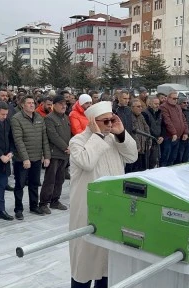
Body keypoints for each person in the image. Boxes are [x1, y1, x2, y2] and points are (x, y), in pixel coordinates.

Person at [69, 101, 137, 288]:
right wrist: (98, 136)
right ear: (92, 122)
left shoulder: (113, 139)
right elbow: (87, 162)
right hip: (87, 209)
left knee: (107, 262)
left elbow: (132, 156)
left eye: (111, 120)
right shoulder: (78, 141)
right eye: (105, 121)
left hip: (112, 208)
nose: (109, 125)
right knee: (84, 261)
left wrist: (121, 133)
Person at [11, 95, 51, 219]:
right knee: (20, 184)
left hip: (37, 157)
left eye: (33, 103)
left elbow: (44, 138)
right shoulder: (16, 119)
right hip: (22, 159)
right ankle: (18, 209)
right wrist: (25, 158)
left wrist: (47, 155)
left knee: (34, 183)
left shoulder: (39, 117)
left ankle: (34, 206)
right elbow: (18, 140)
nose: (32, 105)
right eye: (28, 103)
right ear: (23, 105)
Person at [39, 95, 71, 214]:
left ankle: (55, 200)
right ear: (54, 105)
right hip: (54, 154)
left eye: (65, 104)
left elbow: (69, 134)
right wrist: (66, 147)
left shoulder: (66, 118)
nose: (64, 106)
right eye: (61, 104)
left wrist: (70, 146)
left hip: (65, 154)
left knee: (60, 179)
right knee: (50, 180)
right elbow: (53, 136)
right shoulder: (49, 118)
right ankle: (43, 203)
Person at [159, 91, 188, 167]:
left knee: (173, 157)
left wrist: (185, 132)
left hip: (178, 137)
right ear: (168, 98)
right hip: (169, 137)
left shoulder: (178, 107)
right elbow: (167, 121)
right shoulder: (163, 107)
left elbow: (183, 120)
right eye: (174, 98)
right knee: (165, 157)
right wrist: (173, 133)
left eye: (177, 98)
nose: (176, 100)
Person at [130, 99, 151, 171]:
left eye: (141, 106)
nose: (141, 108)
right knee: (134, 168)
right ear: (132, 107)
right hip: (135, 148)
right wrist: (138, 146)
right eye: (138, 106)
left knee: (142, 168)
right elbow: (133, 132)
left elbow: (146, 128)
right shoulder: (130, 117)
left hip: (143, 147)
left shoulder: (141, 116)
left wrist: (149, 141)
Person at [142, 98, 163, 169]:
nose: (157, 106)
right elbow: (147, 128)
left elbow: (161, 125)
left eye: (158, 104)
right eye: (155, 104)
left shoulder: (159, 113)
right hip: (150, 141)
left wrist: (161, 136)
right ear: (150, 104)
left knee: (155, 161)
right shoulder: (145, 113)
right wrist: (154, 138)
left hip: (157, 141)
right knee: (149, 162)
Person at [175, 97, 189, 164]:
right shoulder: (177, 112)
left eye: (187, 103)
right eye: (184, 102)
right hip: (181, 138)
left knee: (187, 156)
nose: (186, 104)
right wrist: (185, 133)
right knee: (179, 156)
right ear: (179, 103)